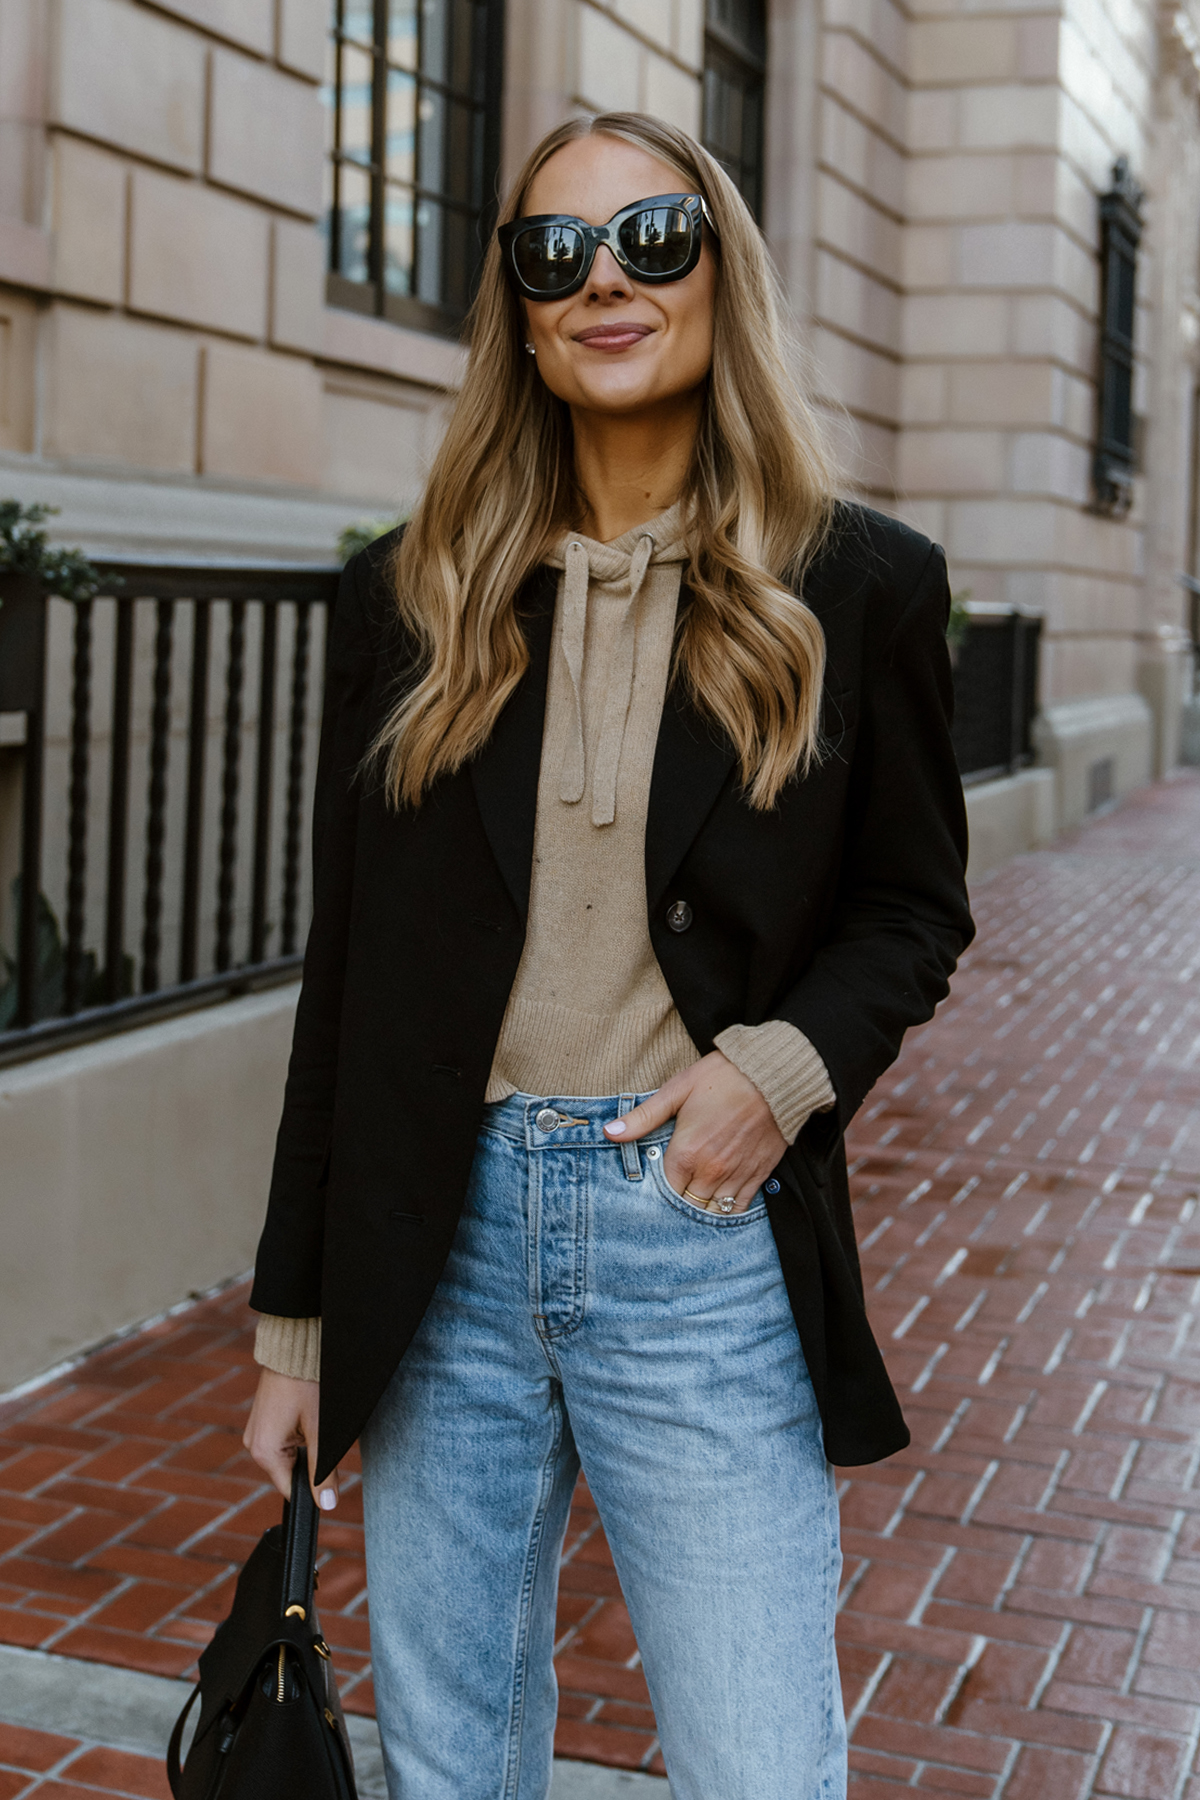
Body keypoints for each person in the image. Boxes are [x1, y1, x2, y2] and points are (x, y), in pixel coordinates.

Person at [244, 110, 973, 1800]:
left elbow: (912, 909)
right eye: (551, 253)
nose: (603, 283)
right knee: (450, 1762)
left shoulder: (855, 587)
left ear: (721, 265)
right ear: (517, 307)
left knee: (755, 1760)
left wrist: (769, 1081)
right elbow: (341, 987)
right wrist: (295, 1326)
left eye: (651, 238)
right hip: (444, 1250)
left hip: (698, 1235)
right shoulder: (413, 599)